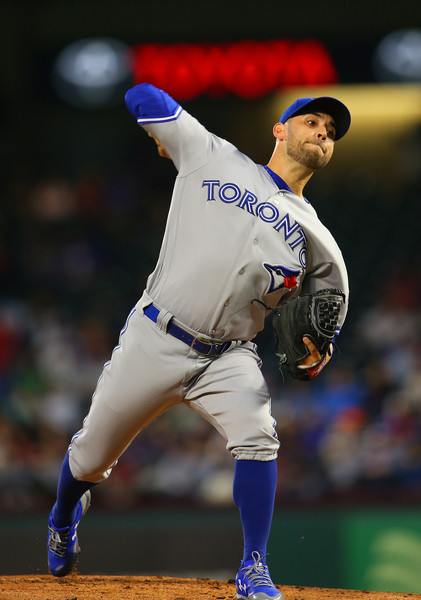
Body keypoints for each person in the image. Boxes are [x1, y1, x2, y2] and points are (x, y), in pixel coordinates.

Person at [47, 83, 350, 600]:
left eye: (330, 131)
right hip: (156, 335)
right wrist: (171, 132)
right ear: (279, 129)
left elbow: (327, 317)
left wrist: (318, 351)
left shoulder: (316, 235)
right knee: (89, 459)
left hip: (229, 356)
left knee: (259, 438)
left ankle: (254, 565)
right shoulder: (212, 155)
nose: (322, 131)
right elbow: (140, 93)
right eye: (311, 121)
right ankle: (62, 518)